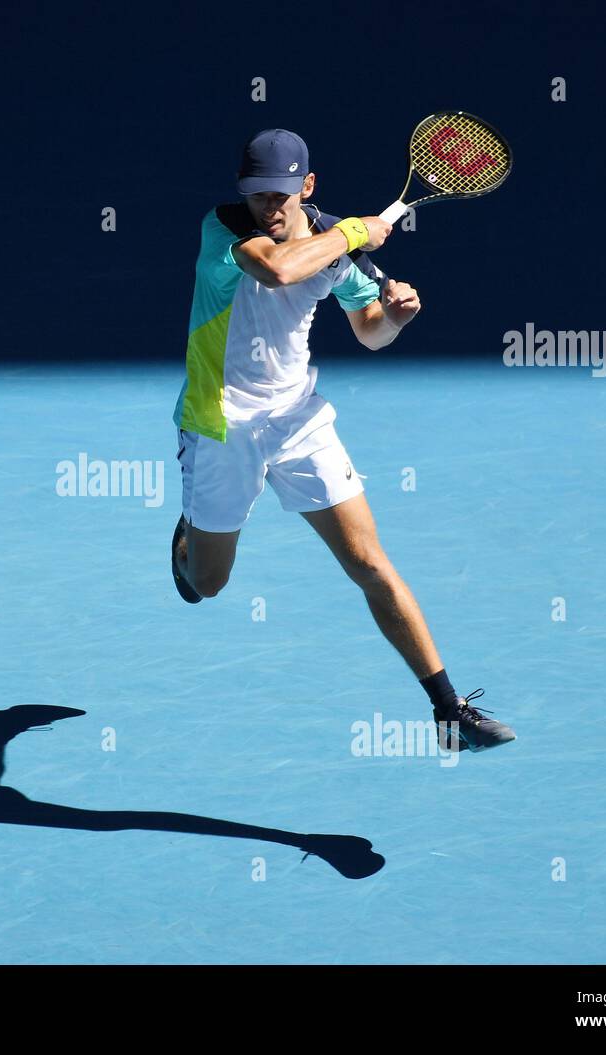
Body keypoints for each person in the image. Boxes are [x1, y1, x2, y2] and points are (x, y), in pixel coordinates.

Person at [171, 128, 515, 753]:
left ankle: (449, 712)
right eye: (256, 196)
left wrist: (396, 319)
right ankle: (189, 537)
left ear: (306, 186)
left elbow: (369, 333)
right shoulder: (224, 229)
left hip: (298, 420)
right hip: (220, 424)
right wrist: (353, 233)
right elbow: (276, 270)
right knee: (208, 585)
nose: (267, 209)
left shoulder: (337, 246)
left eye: (279, 196)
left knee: (369, 563)